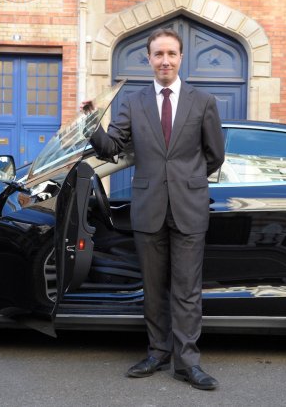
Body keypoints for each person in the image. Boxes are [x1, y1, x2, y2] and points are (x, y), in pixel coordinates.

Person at [85, 28, 225, 390]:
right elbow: (112, 147)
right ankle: (158, 352)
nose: (165, 60)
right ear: (148, 59)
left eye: (171, 54)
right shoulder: (133, 103)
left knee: (187, 290)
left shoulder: (203, 101)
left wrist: (187, 181)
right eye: (158, 54)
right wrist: (91, 124)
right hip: (149, 209)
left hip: (189, 208)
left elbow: (215, 155)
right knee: (153, 288)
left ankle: (187, 363)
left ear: (181, 58)